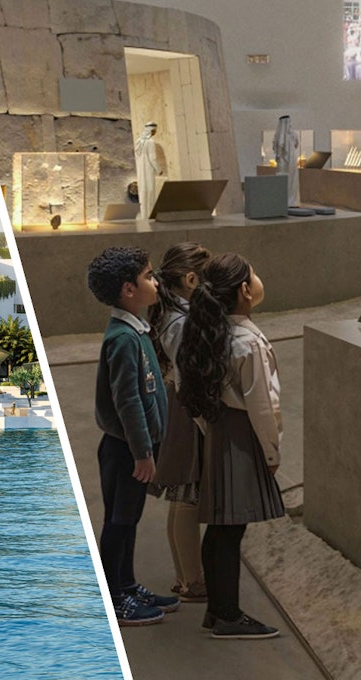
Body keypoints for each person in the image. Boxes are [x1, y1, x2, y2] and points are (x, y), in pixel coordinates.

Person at [176, 252, 285, 640]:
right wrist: (271, 453)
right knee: (229, 529)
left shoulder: (210, 331)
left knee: (223, 528)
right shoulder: (246, 342)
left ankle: (218, 611)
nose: (258, 279)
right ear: (244, 290)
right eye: (254, 274)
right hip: (243, 438)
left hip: (220, 433)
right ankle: (227, 615)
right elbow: (263, 405)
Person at [87, 245, 180, 626]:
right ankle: (114, 597)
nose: (155, 282)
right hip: (125, 450)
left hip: (135, 449)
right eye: (148, 276)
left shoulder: (135, 330)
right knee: (119, 521)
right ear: (128, 289)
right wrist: (143, 452)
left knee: (130, 518)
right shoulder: (124, 339)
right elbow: (127, 402)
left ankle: (126, 584)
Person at [147, 242, 212, 603]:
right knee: (187, 496)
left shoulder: (167, 312)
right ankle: (193, 580)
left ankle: (184, 576)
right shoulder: (182, 321)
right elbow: (190, 375)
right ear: (190, 279)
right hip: (187, 412)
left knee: (180, 498)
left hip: (175, 405)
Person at [134, 122, 163, 219]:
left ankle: (143, 216)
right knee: (150, 192)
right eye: (155, 130)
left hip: (140, 171)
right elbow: (152, 158)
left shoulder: (139, 141)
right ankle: (150, 216)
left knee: (143, 192)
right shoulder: (150, 142)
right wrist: (159, 170)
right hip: (148, 170)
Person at [272, 115, 300, 206]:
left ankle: (288, 200)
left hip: (285, 161)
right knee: (289, 180)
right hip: (289, 159)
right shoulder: (293, 133)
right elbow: (296, 144)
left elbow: (276, 148)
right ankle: (290, 200)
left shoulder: (277, 135)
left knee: (289, 179)